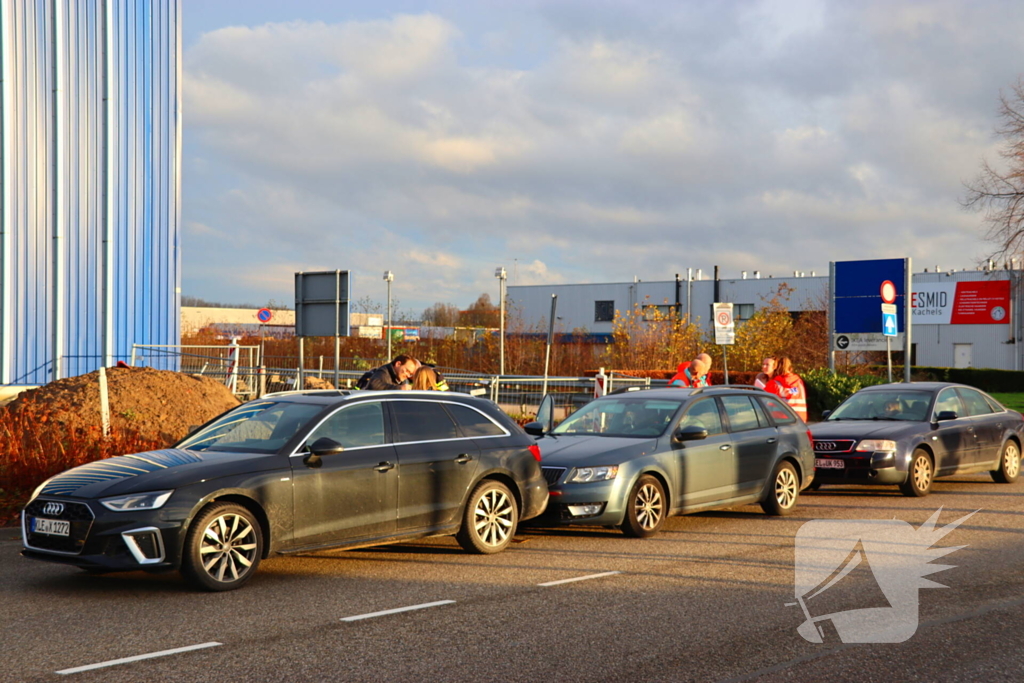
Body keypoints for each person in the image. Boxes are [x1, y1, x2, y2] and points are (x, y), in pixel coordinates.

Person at [765, 357, 808, 421]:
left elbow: (762, 400)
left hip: (781, 419)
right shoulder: (799, 382)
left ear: (776, 367)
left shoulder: (774, 384)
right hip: (800, 419)